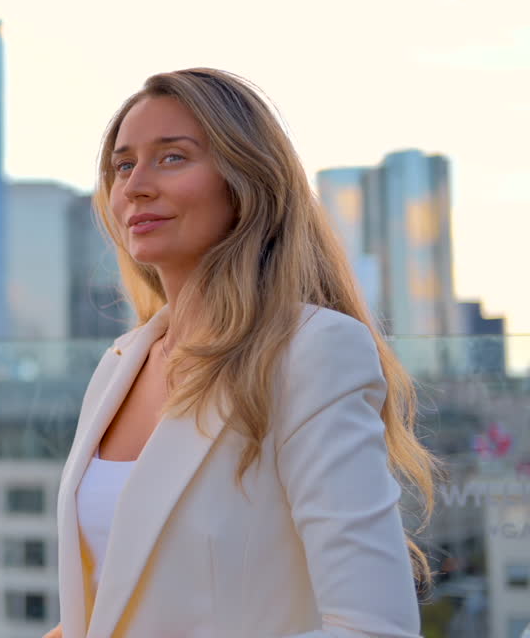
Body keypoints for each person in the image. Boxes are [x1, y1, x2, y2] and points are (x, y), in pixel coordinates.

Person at [43, 68, 437, 638]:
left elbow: (374, 628)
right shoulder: (118, 365)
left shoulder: (310, 352)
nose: (135, 186)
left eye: (172, 157)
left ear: (246, 181)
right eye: (123, 165)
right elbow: (116, 599)